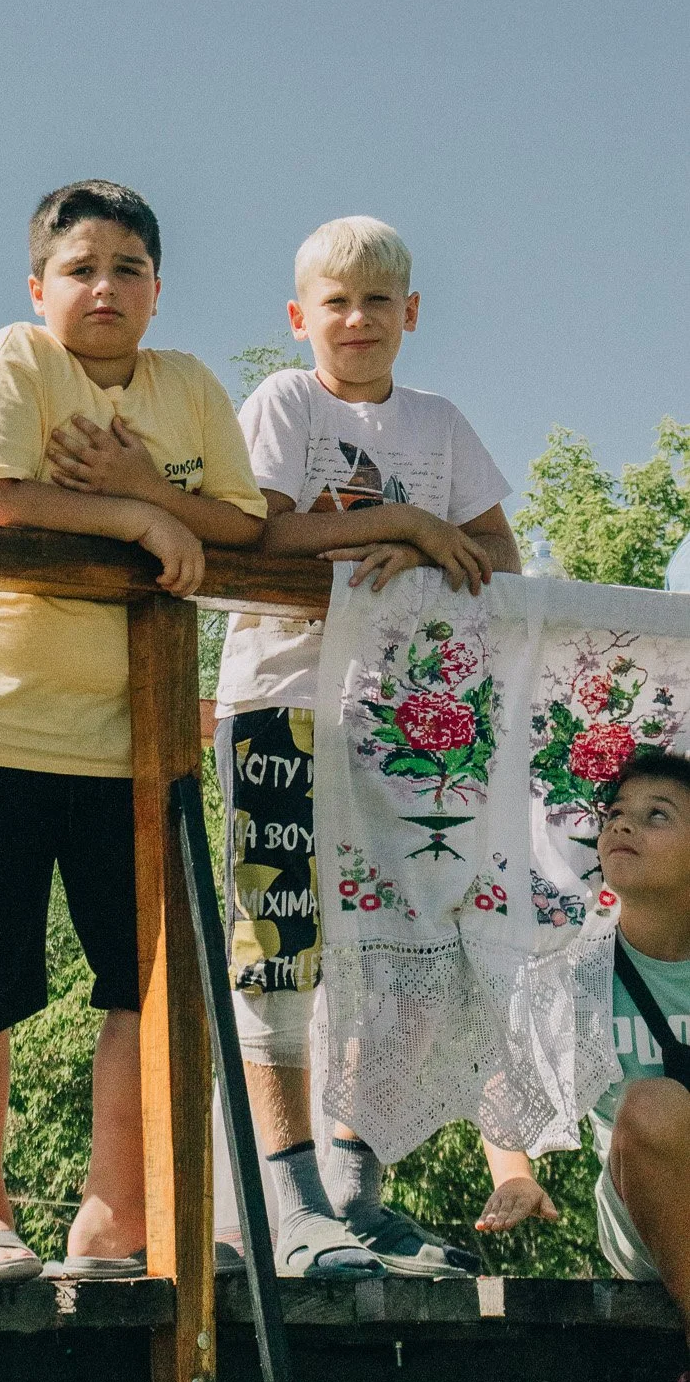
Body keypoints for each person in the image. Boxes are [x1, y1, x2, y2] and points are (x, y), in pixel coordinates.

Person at [0, 180, 267, 1280]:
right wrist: (141, 513)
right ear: (39, 286)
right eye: (79, 267)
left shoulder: (190, 386)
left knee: (149, 977)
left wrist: (149, 482)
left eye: (126, 269)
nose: (102, 286)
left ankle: (113, 1225)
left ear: (158, 290)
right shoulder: (14, 362)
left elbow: (245, 525)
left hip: (138, 736)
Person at [213, 214, 531, 1278]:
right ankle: (290, 1194)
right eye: (335, 302)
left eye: (377, 301)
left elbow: (497, 549)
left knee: (407, 954)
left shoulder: (439, 424)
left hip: (404, 726)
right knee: (280, 945)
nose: (357, 320)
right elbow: (253, 529)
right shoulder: (286, 403)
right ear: (301, 316)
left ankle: (360, 1183)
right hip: (281, 706)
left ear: (411, 313)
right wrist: (397, 529)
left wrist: (434, 537)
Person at [589, 747, 690, 1382]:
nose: (623, 827)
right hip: (651, 1211)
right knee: (650, 1105)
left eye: (657, 815)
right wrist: (513, 1176)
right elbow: (502, 1082)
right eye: (615, 814)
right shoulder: (574, 970)